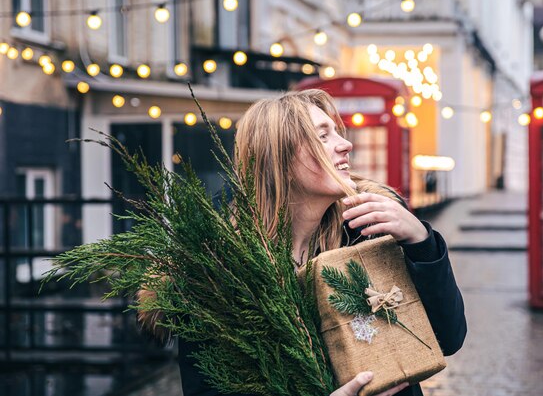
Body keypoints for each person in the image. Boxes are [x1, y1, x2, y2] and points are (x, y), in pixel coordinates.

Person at [140, 89, 466, 396]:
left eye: (337, 132)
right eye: (323, 136)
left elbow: (448, 337)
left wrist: (421, 240)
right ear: (278, 159)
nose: (345, 145)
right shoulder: (220, 269)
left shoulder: (369, 230)